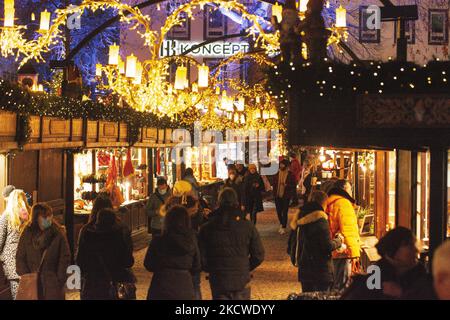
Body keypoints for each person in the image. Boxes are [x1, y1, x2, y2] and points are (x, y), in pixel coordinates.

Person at [198, 188, 265, 300]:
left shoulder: (207, 227)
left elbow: (201, 255)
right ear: (236, 202)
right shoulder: (247, 226)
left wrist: (211, 268)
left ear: (218, 203)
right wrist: (245, 266)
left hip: (218, 277)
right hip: (241, 277)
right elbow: (259, 254)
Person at [341, 227, 435, 300]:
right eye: (408, 245)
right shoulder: (373, 282)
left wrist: (401, 293)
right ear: (391, 251)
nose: (416, 250)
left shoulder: (421, 274)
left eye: (414, 244)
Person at [76, 208, 135, 300]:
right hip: (113, 283)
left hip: (92, 284)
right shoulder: (117, 236)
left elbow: (80, 261)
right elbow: (128, 261)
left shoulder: (87, 235)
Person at [144, 205, 201, 300]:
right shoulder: (191, 240)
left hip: (161, 285)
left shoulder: (159, 240)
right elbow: (197, 265)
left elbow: (148, 264)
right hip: (184, 286)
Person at [16, 203, 71, 300]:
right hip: (31, 282)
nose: (48, 219)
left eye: (50, 216)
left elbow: (65, 257)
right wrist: (26, 276)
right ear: (36, 218)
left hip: (51, 284)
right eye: (45, 217)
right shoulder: (27, 233)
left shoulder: (58, 233)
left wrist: (58, 279)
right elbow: (20, 257)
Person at [290, 191, 342, 292]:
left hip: (304, 269)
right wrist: (339, 241)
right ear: (324, 203)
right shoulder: (320, 219)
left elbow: (291, 244)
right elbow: (327, 246)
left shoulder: (300, 217)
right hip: (320, 270)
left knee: (307, 296)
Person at [326, 179, 361, 290]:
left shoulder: (331, 201)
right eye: (350, 188)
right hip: (344, 252)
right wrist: (354, 252)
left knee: (336, 285)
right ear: (344, 189)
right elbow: (348, 229)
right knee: (343, 287)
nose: (351, 191)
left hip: (335, 250)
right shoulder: (343, 203)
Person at [0, 190, 31, 299]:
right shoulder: (30, 214)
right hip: (29, 261)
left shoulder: (6, 217)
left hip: (13, 262)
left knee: (17, 294)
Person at [272, 159, 296, 235]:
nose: (281, 166)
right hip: (277, 195)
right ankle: (281, 223)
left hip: (286, 195)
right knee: (279, 211)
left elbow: (294, 185)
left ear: (286, 166)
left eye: (283, 164)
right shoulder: (276, 173)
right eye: (280, 164)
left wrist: (287, 185)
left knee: (284, 211)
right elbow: (273, 183)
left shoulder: (290, 175)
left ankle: (283, 226)